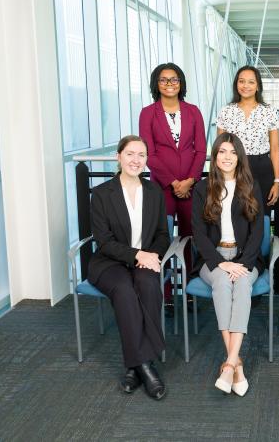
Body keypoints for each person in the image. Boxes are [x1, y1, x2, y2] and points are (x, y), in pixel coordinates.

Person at [88, 135, 171, 400]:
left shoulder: (153, 191)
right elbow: (104, 242)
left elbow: (162, 234)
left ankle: (132, 366)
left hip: (144, 259)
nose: (136, 160)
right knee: (124, 290)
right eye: (130, 154)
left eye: (141, 155)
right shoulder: (102, 194)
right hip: (109, 262)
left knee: (147, 285)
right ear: (119, 156)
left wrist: (151, 255)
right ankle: (145, 366)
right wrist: (138, 254)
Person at [192, 133, 264, 396]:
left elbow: (258, 233)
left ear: (240, 157)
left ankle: (229, 363)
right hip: (213, 257)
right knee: (223, 283)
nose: (227, 157)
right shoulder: (202, 188)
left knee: (242, 283)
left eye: (233, 152)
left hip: (246, 256)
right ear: (215, 155)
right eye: (222, 152)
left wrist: (243, 263)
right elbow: (198, 233)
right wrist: (220, 263)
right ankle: (236, 364)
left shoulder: (251, 186)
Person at [139, 62, 206, 301]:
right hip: (161, 189)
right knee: (162, 239)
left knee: (192, 238)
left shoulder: (193, 111)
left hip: (191, 188)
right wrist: (173, 183)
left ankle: (189, 290)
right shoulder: (148, 113)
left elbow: (200, 150)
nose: (169, 84)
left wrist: (189, 181)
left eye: (174, 79)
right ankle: (165, 293)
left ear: (181, 83)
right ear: (156, 84)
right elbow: (150, 153)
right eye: (164, 80)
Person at [216, 66, 279, 212]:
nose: (246, 86)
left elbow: (275, 149)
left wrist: (277, 182)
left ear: (258, 86)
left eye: (251, 82)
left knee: (261, 214)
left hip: (262, 168)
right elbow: (219, 149)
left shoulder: (269, 111)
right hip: (233, 168)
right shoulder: (226, 111)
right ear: (236, 84)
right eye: (242, 81)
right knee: (235, 214)